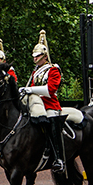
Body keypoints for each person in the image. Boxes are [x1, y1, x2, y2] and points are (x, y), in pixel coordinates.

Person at [19, 30, 66, 173]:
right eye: (34, 56)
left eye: (37, 56)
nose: (35, 58)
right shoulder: (35, 71)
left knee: (52, 123)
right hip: (35, 104)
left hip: (50, 104)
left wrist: (31, 90)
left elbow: (50, 90)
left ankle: (58, 158)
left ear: (45, 56)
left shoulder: (53, 70)